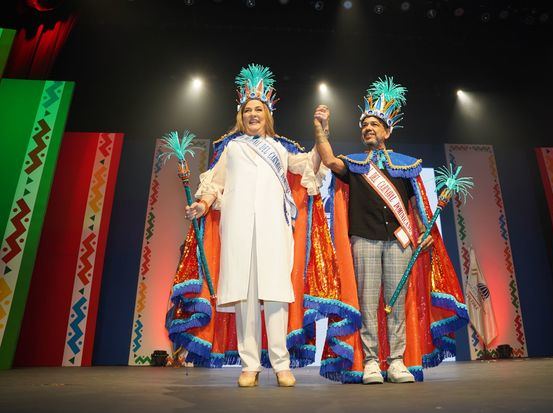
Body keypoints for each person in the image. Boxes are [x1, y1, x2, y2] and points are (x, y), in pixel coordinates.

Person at [166, 64, 361, 387]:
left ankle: (281, 364)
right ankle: (250, 365)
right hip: (238, 230)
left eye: (258, 109)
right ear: (241, 116)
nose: (253, 114)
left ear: (267, 115)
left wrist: (321, 133)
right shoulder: (231, 147)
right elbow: (214, 187)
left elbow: (309, 167)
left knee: (275, 295)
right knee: (244, 298)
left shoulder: (280, 148)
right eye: (248, 110)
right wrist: (200, 206)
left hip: (274, 231)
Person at [313, 77, 469, 384]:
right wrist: (321, 129)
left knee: (398, 302)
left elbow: (419, 207)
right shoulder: (354, 164)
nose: (368, 128)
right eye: (364, 125)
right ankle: (371, 361)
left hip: (400, 243)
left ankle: (396, 361)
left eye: (374, 124)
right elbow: (329, 160)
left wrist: (425, 232)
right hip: (364, 239)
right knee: (368, 301)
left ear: (387, 131)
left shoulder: (407, 165)